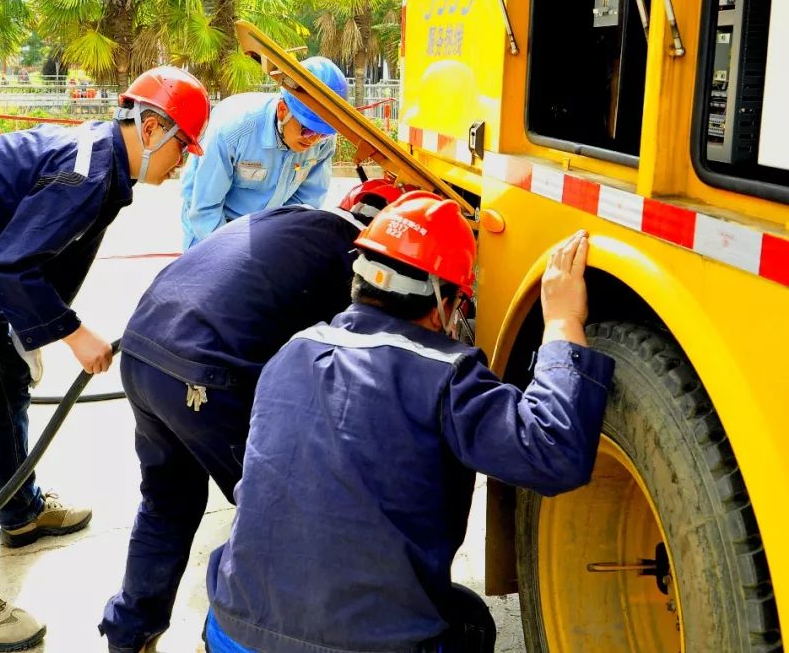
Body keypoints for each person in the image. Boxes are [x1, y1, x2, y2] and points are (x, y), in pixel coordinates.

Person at [0, 67, 210, 652]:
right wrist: (72, 333)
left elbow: (30, 258)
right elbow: (12, 267)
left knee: (8, 385)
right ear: (152, 128)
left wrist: (30, 335)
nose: (183, 161)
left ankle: (20, 510)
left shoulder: (104, 165)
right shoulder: (88, 169)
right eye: (183, 146)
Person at [205, 193, 616, 653]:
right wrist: (562, 320)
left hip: (233, 633)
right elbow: (554, 450)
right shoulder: (444, 374)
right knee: (470, 627)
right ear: (445, 303)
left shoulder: (290, 352)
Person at [100, 179, 412, 653]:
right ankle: (230, 640)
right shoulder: (349, 260)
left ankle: (130, 633)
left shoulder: (291, 220)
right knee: (271, 515)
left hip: (142, 347)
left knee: (167, 500)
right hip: (200, 371)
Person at [179, 56, 347, 250]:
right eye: (307, 129)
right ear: (283, 110)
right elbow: (204, 209)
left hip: (266, 230)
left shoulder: (322, 142)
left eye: (324, 133)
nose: (314, 139)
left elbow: (304, 206)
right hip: (211, 224)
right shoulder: (234, 132)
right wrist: (235, 254)